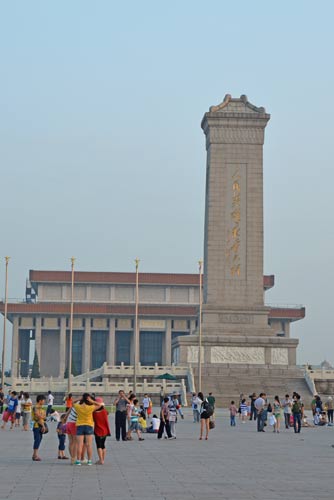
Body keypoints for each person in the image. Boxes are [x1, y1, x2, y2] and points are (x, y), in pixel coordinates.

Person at [74, 393, 102, 465]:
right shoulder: (91, 407)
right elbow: (100, 404)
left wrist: (79, 399)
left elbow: (71, 403)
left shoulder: (78, 406)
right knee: (89, 444)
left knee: (79, 445)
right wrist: (92, 401)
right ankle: (89, 461)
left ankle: (78, 460)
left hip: (80, 425)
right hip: (89, 425)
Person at [93, 397, 111, 464]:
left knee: (99, 446)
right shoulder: (105, 411)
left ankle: (100, 460)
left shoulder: (94, 413)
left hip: (98, 430)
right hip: (105, 430)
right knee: (103, 445)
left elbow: (93, 420)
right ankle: (103, 459)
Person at [32, 394, 47, 461]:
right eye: (43, 400)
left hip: (41, 425)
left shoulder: (42, 408)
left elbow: (44, 417)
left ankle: (35, 454)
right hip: (36, 426)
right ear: (40, 400)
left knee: (39, 439)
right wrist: (43, 425)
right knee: (37, 440)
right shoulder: (35, 408)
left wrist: (42, 416)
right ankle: (35, 455)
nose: (44, 401)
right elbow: (39, 417)